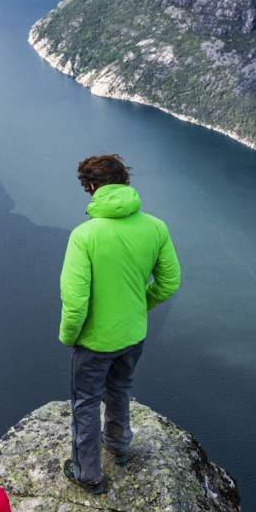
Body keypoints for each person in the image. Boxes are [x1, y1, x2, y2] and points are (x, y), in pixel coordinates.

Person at [58, 153, 181, 494]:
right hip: (133, 334)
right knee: (120, 389)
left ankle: (88, 474)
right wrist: (140, 306)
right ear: (125, 182)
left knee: (86, 403)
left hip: (94, 341)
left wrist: (69, 335)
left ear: (91, 187)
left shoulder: (84, 236)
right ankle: (118, 446)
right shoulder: (156, 227)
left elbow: (75, 300)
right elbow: (169, 283)